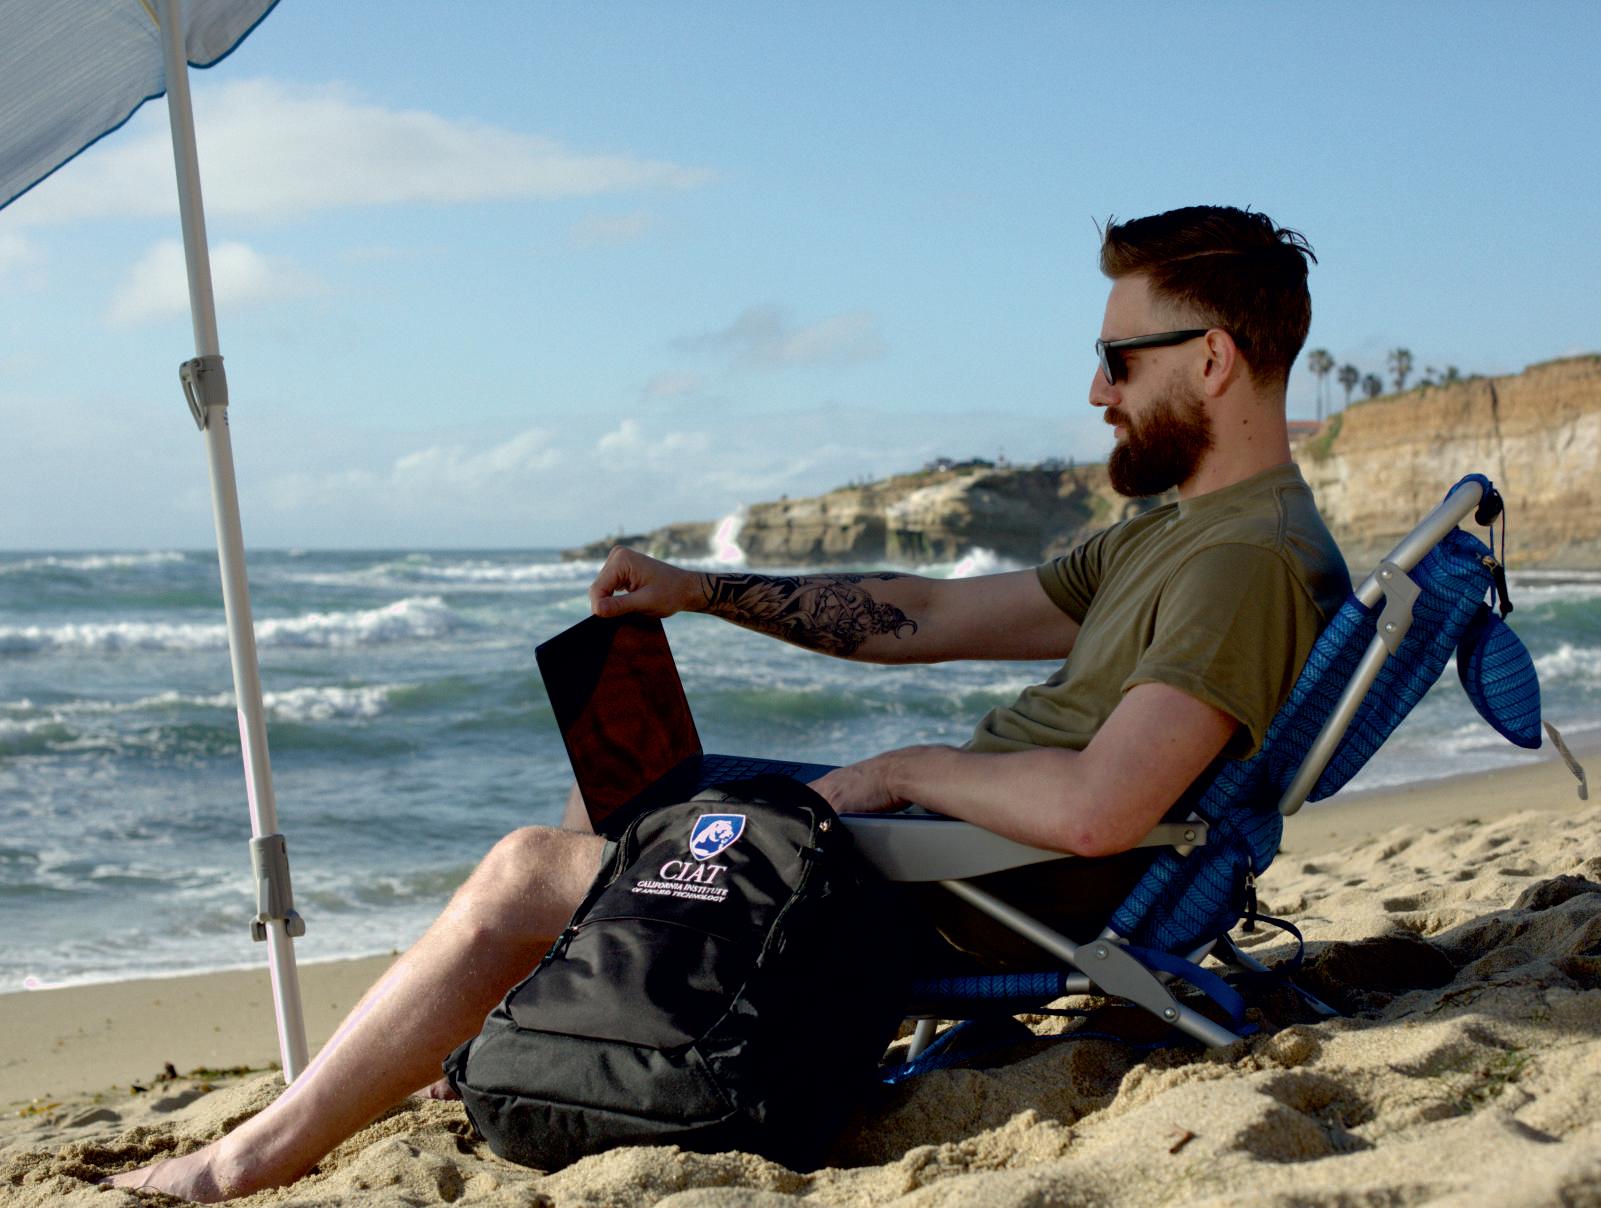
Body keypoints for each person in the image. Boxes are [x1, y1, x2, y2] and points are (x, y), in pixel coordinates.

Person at [108, 204, 1349, 1201]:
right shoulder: (1177, 533)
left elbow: (1099, 808)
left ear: (1211, 358)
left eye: (1116, 359)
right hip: (958, 853)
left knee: (525, 869)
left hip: (981, 890)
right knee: (633, 791)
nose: (1094, 391)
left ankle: (247, 1158)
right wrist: (699, 590)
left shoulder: (1242, 562)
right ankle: (569, 1037)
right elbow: (928, 614)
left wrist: (899, 772)